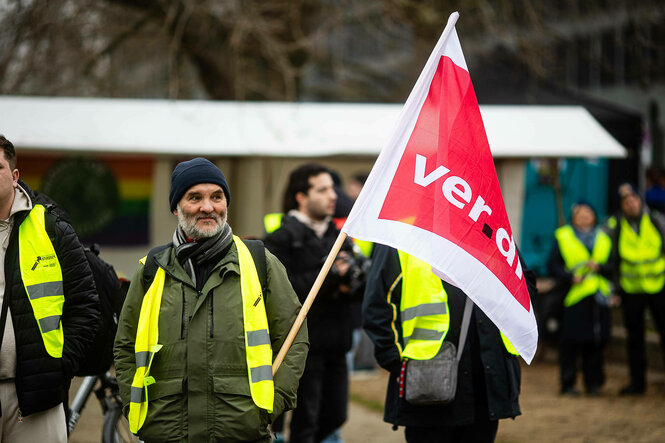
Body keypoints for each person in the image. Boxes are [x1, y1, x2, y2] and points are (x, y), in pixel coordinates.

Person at [114, 157, 308, 442]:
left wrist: (272, 405)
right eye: (195, 197)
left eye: (217, 197)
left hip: (241, 430)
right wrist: (135, 407)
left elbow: (294, 338)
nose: (208, 207)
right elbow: (125, 346)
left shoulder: (259, 262)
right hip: (167, 431)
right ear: (176, 206)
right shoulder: (151, 269)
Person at [362, 244, 536, 443]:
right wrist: (397, 363)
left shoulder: (489, 230)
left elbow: (526, 290)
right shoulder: (402, 235)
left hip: (486, 384)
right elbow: (377, 307)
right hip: (427, 386)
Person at [0, 135, 100, 442]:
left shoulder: (50, 225)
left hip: (35, 398)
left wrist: (57, 369)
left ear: (15, 176)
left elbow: (85, 306)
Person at [264, 163, 363, 443]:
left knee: (334, 417)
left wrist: (355, 280)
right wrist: (330, 274)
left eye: (333, 189)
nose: (332, 196)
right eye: (322, 190)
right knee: (304, 425)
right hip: (302, 351)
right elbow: (285, 292)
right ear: (301, 196)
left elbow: (356, 293)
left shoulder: (338, 236)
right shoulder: (281, 239)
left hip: (337, 345)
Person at [605, 183, 665, 395]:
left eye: (634, 200)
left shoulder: (657, 221)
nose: (631, 204)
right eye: (626, 202)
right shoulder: (616, 226)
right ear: (622, 206)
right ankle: (637, 383)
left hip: (659, 288)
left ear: (640, 201)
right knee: (635, 339)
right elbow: (611, 256)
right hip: (631, 290)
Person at [547, 201, 612, 396]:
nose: (584, 217)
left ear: (594, 216)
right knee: (571, 343)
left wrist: (600, 268)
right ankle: (568, 384)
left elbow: (613, 265)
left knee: (596, 342)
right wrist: (569, 278)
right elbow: (552, 265)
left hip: (599, 297)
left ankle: (594, 384)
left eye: (588, 213)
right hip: (574, 297)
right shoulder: (563, 236)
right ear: (573, 217)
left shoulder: (604, 238)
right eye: (579, 213)